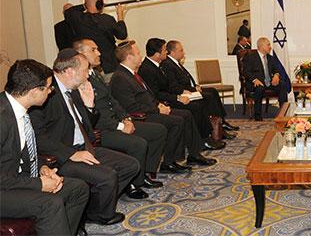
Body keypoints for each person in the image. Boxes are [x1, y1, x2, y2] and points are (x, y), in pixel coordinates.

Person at [30, 49, 140, 226]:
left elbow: (85, 124)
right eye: (85, 70)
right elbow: (37, 137)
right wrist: (70, 154)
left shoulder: (73, 89)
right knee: (108, 176)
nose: (88, 75)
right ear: (70, 71)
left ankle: (92, 209)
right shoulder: (45, 94)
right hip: (61, 156)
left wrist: (89, 107)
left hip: (85, 146)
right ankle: (101, 214)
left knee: (130, 166)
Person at [1, 59, 89, 236]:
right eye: (48, 87)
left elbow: (23, 150)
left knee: (78, 189)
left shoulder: (20, 110)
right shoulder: (2, 118)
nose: (51, 91)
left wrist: (42, 167)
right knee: (50, 204)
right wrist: (39, 184)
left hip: (15, 178)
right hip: (2, 187)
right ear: (34, 91)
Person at [74, 38, 167, 196]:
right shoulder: (80, 80)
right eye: (93, 50)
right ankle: (132, 184)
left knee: (158, 131)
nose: (99, 53)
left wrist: (126, 118)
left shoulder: (95, 74)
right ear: (80, 54)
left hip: (116, 122)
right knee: (138, 144)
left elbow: (112, 101)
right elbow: (93, 114)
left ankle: (146, 173)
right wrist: (120, 126)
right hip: (101, 130)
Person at [109, 41, 216, 171]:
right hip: (141, 116)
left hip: (151, 109)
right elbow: (130, 107)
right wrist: (157, 109)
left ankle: (193, 154)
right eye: (138, 53)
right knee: (177, 121)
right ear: (129, 57)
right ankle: (168, 162)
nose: (141, 56)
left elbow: (148, 95)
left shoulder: (131, 74)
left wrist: (159, 104)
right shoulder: (120, 77)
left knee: (186, 115)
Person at [64, 0, 128, 79]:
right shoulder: (107, 19)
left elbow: (68, 11)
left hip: (89, 68)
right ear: (99, 4)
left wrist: (85, 4)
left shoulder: (78, 19)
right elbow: (122, 34)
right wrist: (120, 15)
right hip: (110, 66)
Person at [243, 37, 289, 121]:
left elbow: (276, 70)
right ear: (261, 46)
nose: (270, 47)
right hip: (257, 82)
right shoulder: (250, 57)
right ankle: (258, 116)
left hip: (269, 82)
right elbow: (246, 72)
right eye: (268, 45)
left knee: (282, 85)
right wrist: (254, 80)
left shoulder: (270, 58)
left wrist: (276, 75)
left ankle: (283, 114)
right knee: (259, 88)